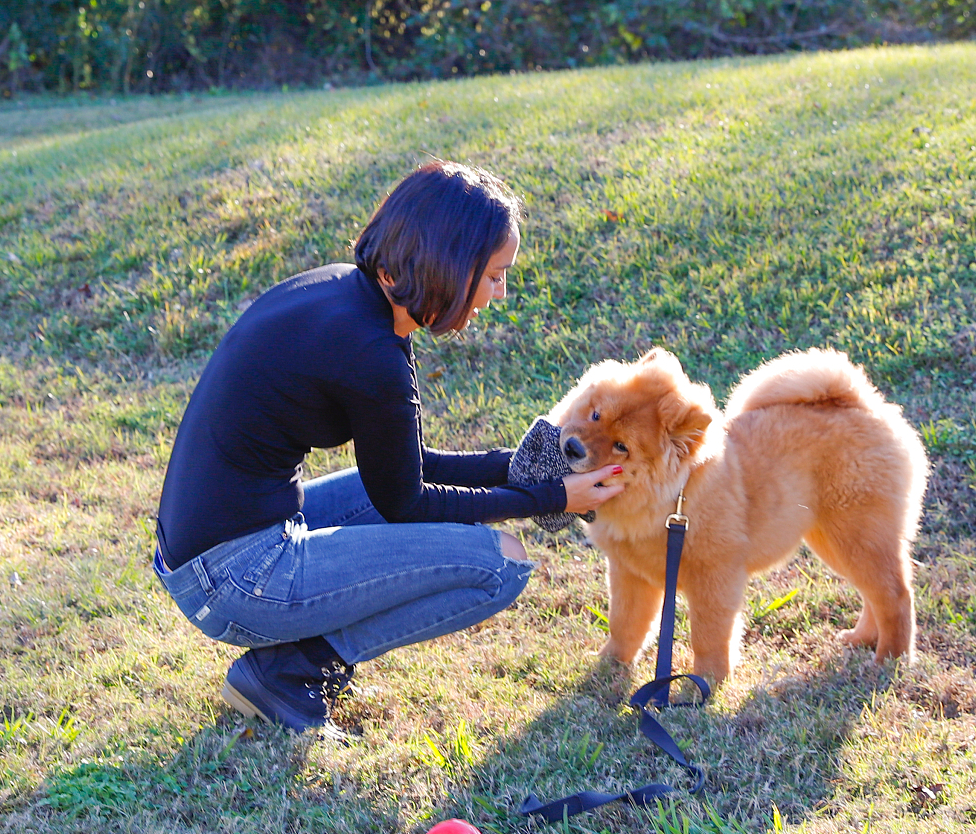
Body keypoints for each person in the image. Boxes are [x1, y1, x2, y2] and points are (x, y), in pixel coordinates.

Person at [152, 161, 628, 731]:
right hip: (233, 578)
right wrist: (549, 499)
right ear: (453, 265)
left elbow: (406, 471)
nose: (499, 294)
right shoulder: (374, 352)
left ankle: (287, 665)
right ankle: (293, 671)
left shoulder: (348, 296)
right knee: (501, 563)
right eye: (497, 275)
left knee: (408, 505)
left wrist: (520, 470)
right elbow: (408, 503)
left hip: (211, 549)